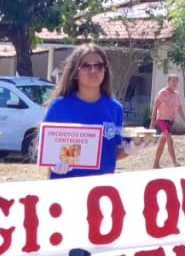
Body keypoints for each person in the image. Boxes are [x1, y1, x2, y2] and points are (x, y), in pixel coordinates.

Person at [41, 43, 128, 180]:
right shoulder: (59, 106)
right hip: (64, 184)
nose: (93, 70)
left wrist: (131, 148)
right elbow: (41, 145)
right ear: (75, 72)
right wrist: (53, 162)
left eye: (99, 66)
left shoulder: (115, 109)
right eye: (86, 66)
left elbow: (112, 152)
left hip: (100, 187)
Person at [150, 74, 182, 168]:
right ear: (168, 82)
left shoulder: (176, 94)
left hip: (170, 121)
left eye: (176, 81)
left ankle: (155, 164)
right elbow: (155, 107)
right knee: (169, 139)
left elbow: (180, 108)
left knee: (162, 143)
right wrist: (152, 122)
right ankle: (175, 162)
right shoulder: (162, 93)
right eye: (173, 81)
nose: (175, 83)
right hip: (162, 120)